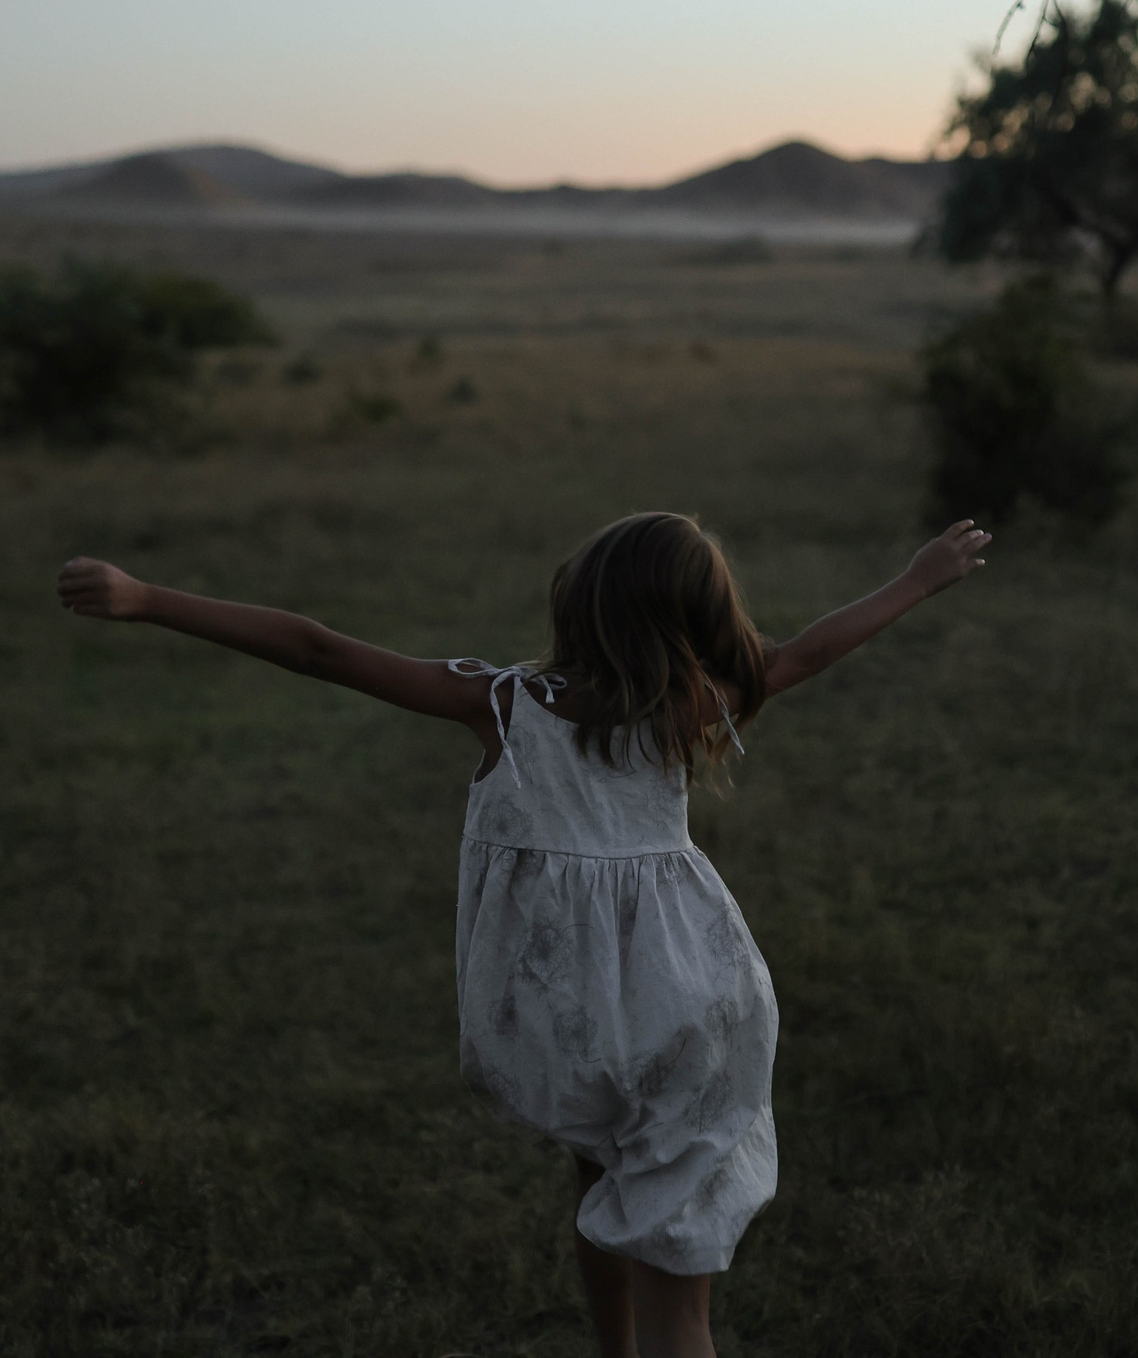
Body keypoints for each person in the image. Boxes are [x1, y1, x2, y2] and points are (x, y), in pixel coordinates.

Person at [56, 510, 991, 1358]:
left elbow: (318, 649)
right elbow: (806, 652)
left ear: (580, 605)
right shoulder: (697, 702)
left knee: (598, 1185)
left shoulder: (503, 704)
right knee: (669, 1265)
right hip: (694, 998)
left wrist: (148, 599)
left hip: (566, 1018)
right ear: (700, 618)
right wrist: (916, 577)